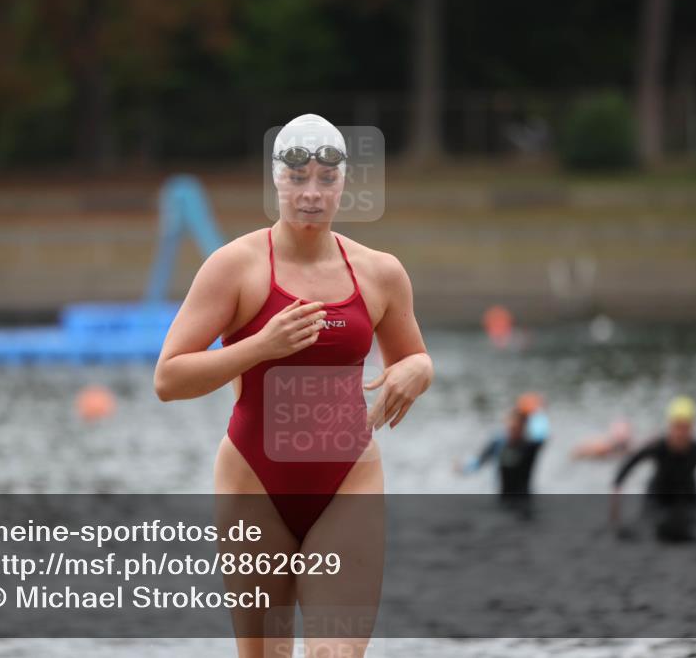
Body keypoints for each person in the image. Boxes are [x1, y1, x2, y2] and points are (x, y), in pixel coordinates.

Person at [154, 113, 433, 657]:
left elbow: (414, 356)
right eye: (297, 178)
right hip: (253, 483)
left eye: (326, 180)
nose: (311, 193)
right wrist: (262, 346)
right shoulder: (233, 267)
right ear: (275, 181)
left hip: (347, 480)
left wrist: (419, 371)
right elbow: (168, 378)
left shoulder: (380, 273)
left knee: (335, 654)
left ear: (343, 185)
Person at [610, 396, 696, 542]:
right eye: (677, 427)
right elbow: (626, 468)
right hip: (657, 498)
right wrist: (616, 499)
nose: (680, 433)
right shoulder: (657, 447)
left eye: (685, 427)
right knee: (656, 527)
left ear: (692, 427)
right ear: (670, 426)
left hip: (688, 498)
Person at [461, 393, 550, 516]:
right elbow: (478, 462)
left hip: (524, 502)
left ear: (523, 428)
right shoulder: (498, 443)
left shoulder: (529, 446)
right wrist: (463, 468)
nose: (511, 429)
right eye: (509, 426)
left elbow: (542, 435)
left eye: (516, 427)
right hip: (503, 499)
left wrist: (536, 411)